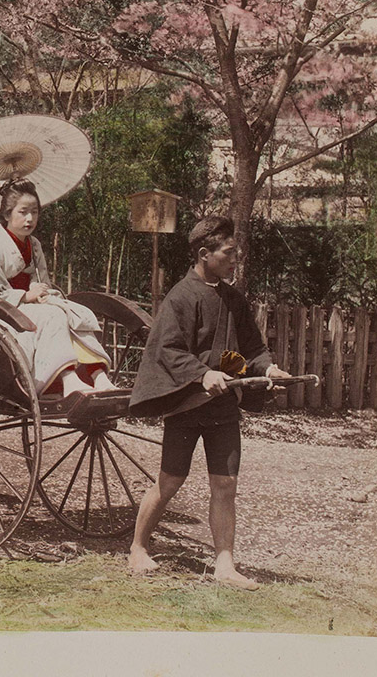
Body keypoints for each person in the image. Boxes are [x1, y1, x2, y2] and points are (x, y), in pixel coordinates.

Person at [127, 215, 290, 590]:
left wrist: (270, 369)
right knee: (169, 481)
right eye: (229, 253)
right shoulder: (180, 297)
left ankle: (225, 565)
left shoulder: (234, 299)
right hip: (188, 404)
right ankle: (137, 546)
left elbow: (253, 348)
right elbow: (167, 348)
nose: (236, 260)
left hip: (223, 406)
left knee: (225, 483)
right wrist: (202, 374)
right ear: (204, 253)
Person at [0, 179, 117, 397]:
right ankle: (67, 379)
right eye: (23, 212)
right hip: (2, 314)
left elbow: (42, 281)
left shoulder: (34, 245)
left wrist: (42, 294)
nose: (30, 218)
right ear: (7, 214)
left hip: (31, 306)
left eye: (35, 212)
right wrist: (26, 296)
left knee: (72, 312)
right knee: (52, 316)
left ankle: (97, 375)